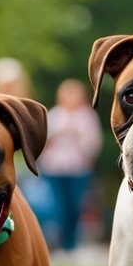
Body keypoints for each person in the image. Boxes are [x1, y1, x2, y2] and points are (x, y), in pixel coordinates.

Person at [40, 79, 103, 255]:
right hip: (54, 168)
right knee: (58, 205)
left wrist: (77, 135)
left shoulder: (87, 117)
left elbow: (93, 146)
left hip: (78, 169)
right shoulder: (54, 115)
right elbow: (42, 144)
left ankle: (72, 243)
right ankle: (61, 243)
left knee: (75, 205)